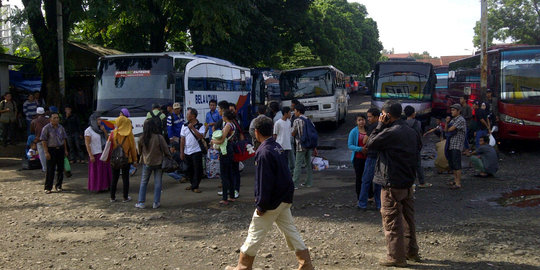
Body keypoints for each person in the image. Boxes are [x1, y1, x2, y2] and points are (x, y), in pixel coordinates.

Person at [224, 116, 314, 270]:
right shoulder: (276, 147)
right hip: (284, 198)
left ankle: (243, 266)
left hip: (271, 201)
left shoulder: (263, 152)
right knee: (290, 230)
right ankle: (305, 264)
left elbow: (263, 182)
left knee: (255, 231)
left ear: (256, 132)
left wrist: (261, 205)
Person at [365, 101, 421, 267]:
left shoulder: (390, 132)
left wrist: (380, 125)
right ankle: (412, 251)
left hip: (392, 181)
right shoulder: (412, 131)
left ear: (387, 115)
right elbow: (419, 148)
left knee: (391, 220)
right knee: (408, 218)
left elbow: (370, 143)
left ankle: (396, 257)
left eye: (382, 115)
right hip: (408, 181)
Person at [135, 119, 172, 209]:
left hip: (146, 162)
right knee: (158, 183)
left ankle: (141, 202)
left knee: (144, 182)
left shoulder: (141, 138)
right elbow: (166, 150)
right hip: (158, 162)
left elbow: (139, 152)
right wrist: (169, 157)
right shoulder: (159, 137)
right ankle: (156, 202)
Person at [211, 109, 237, 205]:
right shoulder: (233, 124)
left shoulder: (227, 125)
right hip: (230, 149)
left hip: (225, 150)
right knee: (230, 173)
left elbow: (222, 140)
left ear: (225, 117)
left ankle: (225, 198)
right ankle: (232, 196)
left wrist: (213, 141)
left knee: (224, 174)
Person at [110, 111, 137, 202]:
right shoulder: (129, 134)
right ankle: (125, 197)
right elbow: (133, 148)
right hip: (126, 159)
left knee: (114, 178)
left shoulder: (113, 133)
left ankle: (112, 197)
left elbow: (108, 146)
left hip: (115, 159)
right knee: (125, 178)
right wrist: (135, 160)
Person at [358, 107, 381, 210]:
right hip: (381, 157)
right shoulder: (384, 126)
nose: (368, 119)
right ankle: (379, 204)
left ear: (376, 117)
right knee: (378, 182)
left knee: (366, 180)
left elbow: (364, 141)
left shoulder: (372, 127)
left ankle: (362, 203)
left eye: (370, 117)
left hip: (372, 156)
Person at [40, 112, 68, 193]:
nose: (56, 119)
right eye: (54, 118)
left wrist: (65, 150)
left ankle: (59, 185)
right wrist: (46, 152)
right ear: (50, 119)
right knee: (50, 169)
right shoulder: (46, 128)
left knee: (60, 168)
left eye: (57, 118)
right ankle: (48, 187)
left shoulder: (61, 127)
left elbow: (64, 139)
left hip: (60, 149)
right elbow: (43, 140)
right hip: (51, 149)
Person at [404, 106, 431, 188]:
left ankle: (408, 183)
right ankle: (422, 182)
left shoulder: (403, 123)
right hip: (415, 147)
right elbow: (419, 135)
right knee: (418, 165)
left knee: (406, 165)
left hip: (405, 147)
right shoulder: (418, 123)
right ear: (413, 114)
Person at [84, 113, 112, 192]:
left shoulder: (101, 129)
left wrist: (104, 131)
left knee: (105, 171)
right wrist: (90, 155)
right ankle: (98, 187)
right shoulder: (88, 131)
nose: (99, 121)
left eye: (100, 119)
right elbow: (87, 144)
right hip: (95, 153)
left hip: (103, 152)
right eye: (98, 119)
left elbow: (108, 139)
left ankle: (106, 186)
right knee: (97, 172)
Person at [180, 108, 206, 193]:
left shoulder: (200, 125)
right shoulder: (184, 125)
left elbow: (201, 136)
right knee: (189, 169)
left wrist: (193, 129)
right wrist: (182, 151)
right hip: (187, 151)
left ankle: (196, 186)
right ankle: (192, 184)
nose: (187, 116)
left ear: (193, 116)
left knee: (197, 169)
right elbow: (182, 139)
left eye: (188, 114)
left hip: (197, 150)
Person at [291, 103, 315, 188]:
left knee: (298, 165)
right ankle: (309, 182)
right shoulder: (308, 120)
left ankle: (295, 183)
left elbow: (293, 133)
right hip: (309, 145)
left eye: (295, 111)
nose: (294, 113)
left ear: (298, 111)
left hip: (300, 145)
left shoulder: (297, 121)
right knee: (308, 164)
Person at [445, 104, 467, 189]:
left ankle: (458, 183)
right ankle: (455, 180)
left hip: (457, 145)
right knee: (453, 164)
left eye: (454, 110)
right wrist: (447, 124)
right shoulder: (453, 120)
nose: (452, 112)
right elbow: (446, 130)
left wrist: (447, 124)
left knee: (457, 164)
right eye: (451, 110)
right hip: (451, 144)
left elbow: (450, 129)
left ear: (458, 111)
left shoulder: (460, 120)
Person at [348, 113, 368, 201]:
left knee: (368, 178)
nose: (361, 122)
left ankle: (370, 196)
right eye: (359, 120)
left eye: (363, 120)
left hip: (368, 158)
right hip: (358, 158)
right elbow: (350, 145)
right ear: (356, 122)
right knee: (359, 178)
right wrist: (360, 149)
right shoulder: (353, 131)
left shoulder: (369, 130)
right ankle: (359, 197)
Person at [30, 107, 50, 172]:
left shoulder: (34, 121)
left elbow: (32, 131)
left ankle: (44, 168)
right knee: (49, 152)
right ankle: (52, 167)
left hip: (39, 139)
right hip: (48, 139)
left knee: (42, 154)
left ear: (37, 113)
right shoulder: (48, 120)